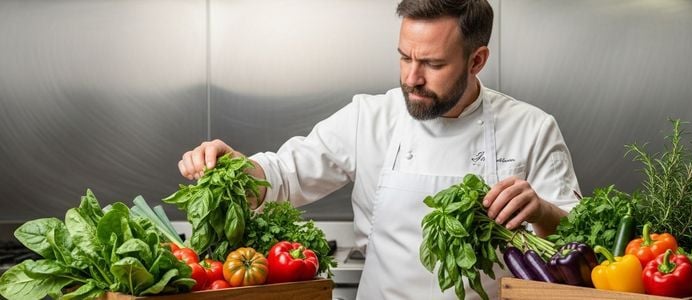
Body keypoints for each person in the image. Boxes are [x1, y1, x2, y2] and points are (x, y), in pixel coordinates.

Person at [177, 0, 580, 298]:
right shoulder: (370, 117)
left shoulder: (531, 129)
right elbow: (286, 174)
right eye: (404, 57)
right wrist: (235, 169)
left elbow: (578, 250)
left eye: (433, 65)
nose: (412, 78)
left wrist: (543, 211)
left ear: (477, 60)